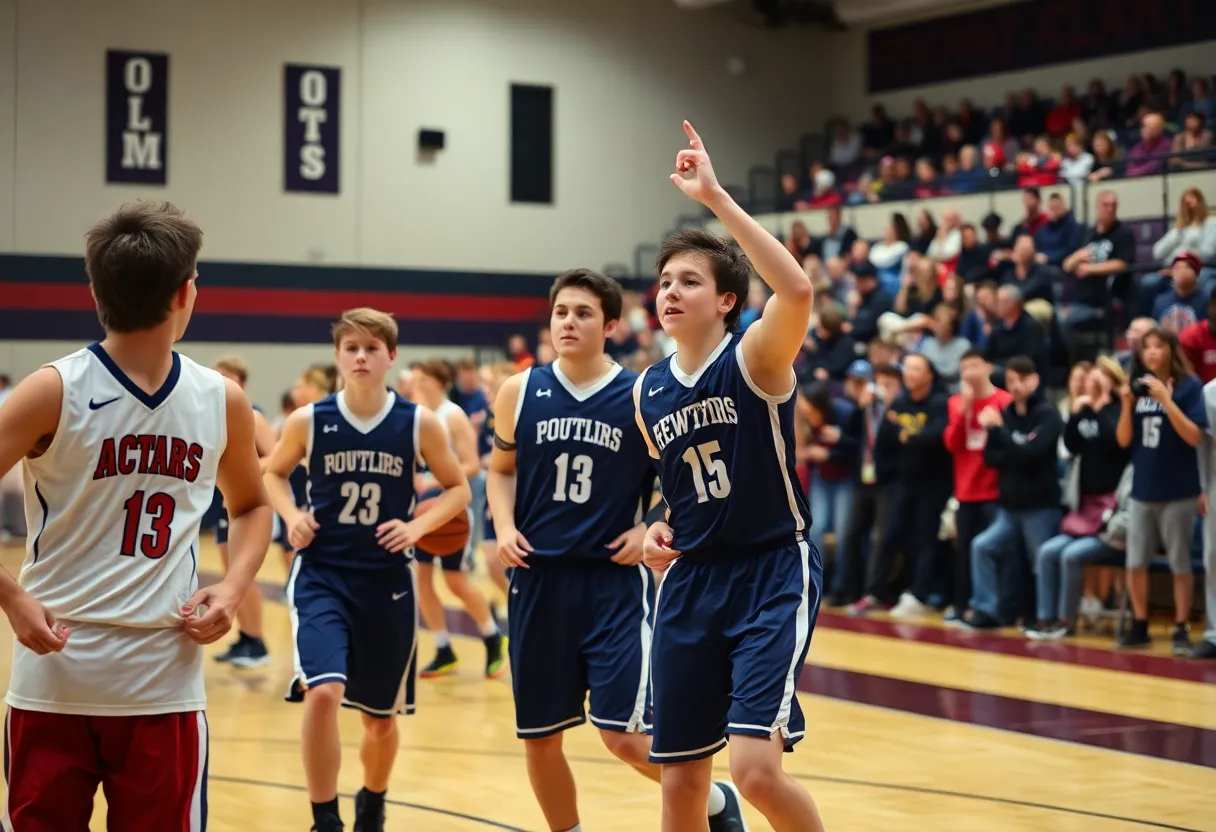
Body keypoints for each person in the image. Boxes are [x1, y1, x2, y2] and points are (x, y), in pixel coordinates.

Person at [0, 200, 273, 829]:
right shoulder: (56, 389)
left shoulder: (218, 400)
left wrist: (231, 589)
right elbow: (255, 509)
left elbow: (254, 504)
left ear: (95, 290)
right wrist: (13, 598)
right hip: (54, 682)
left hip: (162, 682)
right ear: (186, 293)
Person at [488, 268, 746, 832]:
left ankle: (716, 803)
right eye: (560, 312)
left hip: (612, 585)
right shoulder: (519, 390)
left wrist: (650, 523)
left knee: (624, 738)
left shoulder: (638, 392)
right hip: (536, 582)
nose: (568, 323)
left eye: (582, 313)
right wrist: (503, 526)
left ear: (610, 325)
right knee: (540, 739)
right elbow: (500, 471)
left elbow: (683, 477)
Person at [638, 121, 826, 832]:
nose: (670, 291)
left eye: (689, 280)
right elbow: (677, 484)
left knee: (753, 771)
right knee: (679, 783)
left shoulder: (754, 358)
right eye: (663, 282)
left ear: (725, 301)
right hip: (692, 580)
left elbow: (799, 289)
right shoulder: (647, 389)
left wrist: (714, 198)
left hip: (771, 567)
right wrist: (657, 526)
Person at [262, 308, 472, 832]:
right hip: (323, 575)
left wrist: (419, 529)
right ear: (337, 356)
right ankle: (324, 817)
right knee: (323, 692)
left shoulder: (417, 422)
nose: (360, 356)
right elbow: (272, 475)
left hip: (387, 584)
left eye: (372, 348)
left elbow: (459, 489)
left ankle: (372, 800)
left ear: (391, 357)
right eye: (351, 347)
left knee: (379, 723)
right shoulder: (309, 420)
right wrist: (291, 516)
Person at [409, 359, 506, 679]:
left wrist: (433, 481)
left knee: (455, 581)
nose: (416, 384)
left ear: (439, 380)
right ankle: (442, 647)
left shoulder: (452, 416)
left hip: (451, 507)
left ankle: (492, 636)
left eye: (422, 378)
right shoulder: (417, 414)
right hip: (421, 509)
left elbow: (472, 466)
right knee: (421, 578)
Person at [1115, 326, 1206, 653]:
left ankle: (1181, 627)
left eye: (1158, 346)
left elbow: (1194, 436)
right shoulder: (1138, 389)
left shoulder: (1189, 386)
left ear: (1171, 350)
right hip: (1142, 490)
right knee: (1135, 563)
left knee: (1179, 563)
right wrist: (1126, 405)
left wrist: (1167, 400)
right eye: (1147, 348)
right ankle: (1140, 623)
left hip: (1179, 491)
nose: (1152, 352)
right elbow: (1124, 441)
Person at [211, 355, 279, 668]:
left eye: (226, 375)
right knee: (229, 574)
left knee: (242, 572)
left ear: (240, 381)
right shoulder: (213, 415)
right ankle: (245, 635)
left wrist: (243, 473)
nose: (219, 380)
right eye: (216, 375)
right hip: (223, 500)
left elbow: (278, 459)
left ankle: (258, 640)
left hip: (247, 501)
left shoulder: (254, 416)